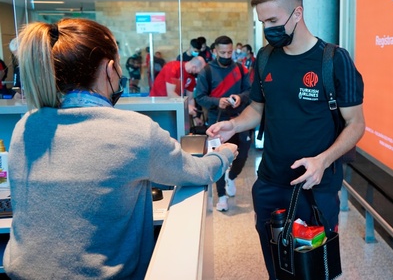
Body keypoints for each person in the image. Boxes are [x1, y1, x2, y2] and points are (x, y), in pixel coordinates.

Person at [4, 18, 238, 279]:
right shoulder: (134, 130)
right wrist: (225, 152)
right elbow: (199, 172)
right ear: (110, 68)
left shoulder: (26, 126)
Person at [206, 0, 365, 279]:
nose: (267, 29)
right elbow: (257, 108)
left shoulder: (334, 60)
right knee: (277, 268)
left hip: (315, 188)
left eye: (273, 20)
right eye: (262, 22)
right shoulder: (265, 58)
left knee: (312, 271)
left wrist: (324, 160)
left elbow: (356, 124)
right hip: (269, 183)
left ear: (298, 13)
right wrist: (232, 125)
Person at [195, 35, 252, 212]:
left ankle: (232, 177)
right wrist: (216, 101)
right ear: (214, 51)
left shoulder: (241, 70)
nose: (227, 55)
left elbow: (250, 92)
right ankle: (221, 197)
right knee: (218, 158)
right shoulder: (207, 71)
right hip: (216, 120)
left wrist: (239, 98)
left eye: (230, 52)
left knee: (242, 156)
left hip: (239, 118)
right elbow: (200, 97)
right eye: (223, 52)